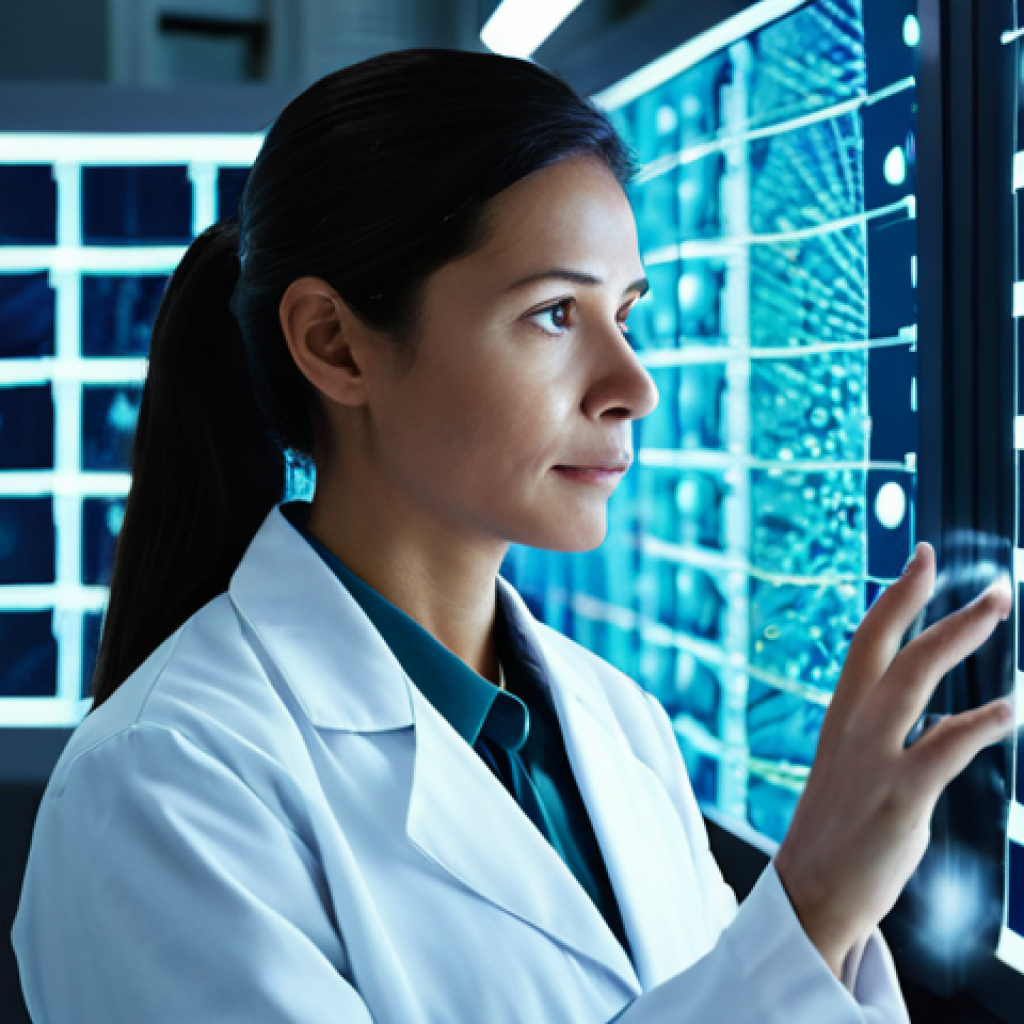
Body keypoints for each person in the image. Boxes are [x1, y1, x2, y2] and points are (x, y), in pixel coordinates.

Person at [12, 48, 1013, 1024]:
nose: (634, 385)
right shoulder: (160, 787)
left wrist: (827, 932)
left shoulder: (616, 724)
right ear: (334, 343)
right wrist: (809, 910)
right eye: (552, 314)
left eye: (625, 313)